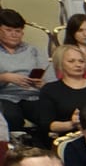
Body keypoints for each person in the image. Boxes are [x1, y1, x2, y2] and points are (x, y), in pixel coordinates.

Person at [0, 8, 50, 138]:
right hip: (5, 96)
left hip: (33, 95)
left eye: (18, 31)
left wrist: (43, 84)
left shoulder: (33, 51)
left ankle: (45, 147)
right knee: (11, 116)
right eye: (9, 30)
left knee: (47, 115)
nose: (14, 34)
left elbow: (51, 80)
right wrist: (5, 77)